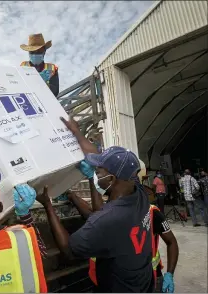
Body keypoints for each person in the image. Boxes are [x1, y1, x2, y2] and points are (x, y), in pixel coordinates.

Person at [36, 117, 154, 292]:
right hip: (142, 283)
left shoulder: (110, 219)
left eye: (98, 171)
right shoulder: (138, 192)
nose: (96, 174)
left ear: (112, 179)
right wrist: (76, 132)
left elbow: (69, 250)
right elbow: (98, 214)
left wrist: (48, 205)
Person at [69, 160, 178, 293]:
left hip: (147, 278)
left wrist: (169, 274)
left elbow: (171, 242)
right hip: (112, 278)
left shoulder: (151, 212)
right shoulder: (118, 207)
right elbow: (96, 214)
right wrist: (73, 196)